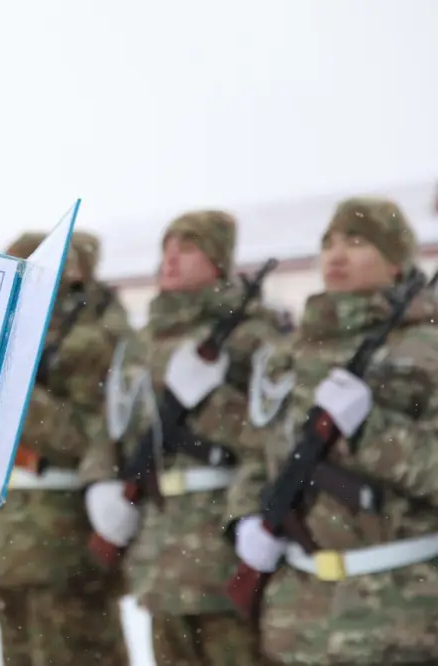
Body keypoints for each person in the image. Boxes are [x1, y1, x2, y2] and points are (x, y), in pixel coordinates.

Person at [226, 198, 438, 665]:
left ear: (397, 260)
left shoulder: (427, 347)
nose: (336, 255)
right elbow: (260, 452)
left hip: (400, 619)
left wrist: (370, 433)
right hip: (299, 623)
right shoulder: (290, 352)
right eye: (328, 244)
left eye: (357, 242)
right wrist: (246, 517)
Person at [81, 211, 282, 666]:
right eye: (167, 248)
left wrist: (213, 402)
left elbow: (271, 436)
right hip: (159, 546)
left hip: (221, 541)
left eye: (187, 248)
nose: (170, 259)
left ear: (218, 262)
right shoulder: (139, 343)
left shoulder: (252, 336)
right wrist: (101, 482)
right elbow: (111, 422)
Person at [0, 230, 132, 666]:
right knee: (21, 653)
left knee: (73, 651)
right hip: (12, 535)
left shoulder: (95, 334)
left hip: (62, 537)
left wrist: (11, 386)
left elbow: (87, 437)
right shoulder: (19, 329)